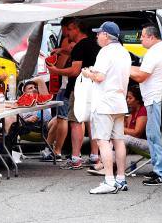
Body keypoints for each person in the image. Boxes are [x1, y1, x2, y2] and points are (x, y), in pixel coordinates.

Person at [82, 21, 132, 194]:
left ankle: (109, 181)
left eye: (98, 33)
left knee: (103, 142)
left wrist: (87, 73)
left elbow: (100, 77)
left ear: (106, 35)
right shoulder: (124, 53)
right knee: (119, 141)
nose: (96, 36)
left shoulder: (105, 52)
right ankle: (121, 179)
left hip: (104, 103)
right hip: (119, 101)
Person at [49, 19, 100, 170]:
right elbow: (81, 54)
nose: (67, 34)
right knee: (92, 121)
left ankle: (76, 158)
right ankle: (94, 155)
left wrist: (56, 71)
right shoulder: (94, 43)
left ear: (75, 28)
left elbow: (75, 70)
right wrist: (62, 51)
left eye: (68, 30)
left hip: (79, 88)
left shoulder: (79, 46)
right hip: (95, 86)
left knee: (76, 121)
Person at [129, 25, 162, 186]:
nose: (140, 39)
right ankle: (158, 169)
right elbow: (142, 70)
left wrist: (123, 68)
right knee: (153, 135)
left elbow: (141, 76)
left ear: (151, 37)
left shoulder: (155, 52)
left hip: (155, 98)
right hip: (155, 98)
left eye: (143, 36)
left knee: (156, 136)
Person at [41, 31, 75, 161]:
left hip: (66, 87)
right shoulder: (84, 45)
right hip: (77, 89)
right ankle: (49, 148)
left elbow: (60, 66)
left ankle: (57, 151)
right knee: (65, 119)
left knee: (62, 118)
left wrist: (58, 55)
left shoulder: (70, 43)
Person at [4, 80, 52, 150]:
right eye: (30, 88)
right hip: (24, 128)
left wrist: (38, 115)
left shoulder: (42, 102)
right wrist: (27, 120)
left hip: (41, 128)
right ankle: (8, 149)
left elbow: (48, 116)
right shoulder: (21, 103)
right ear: (24, 92)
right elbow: (18, 118)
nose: (34, 89)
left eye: (35, 87)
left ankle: (8, 147)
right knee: (9, 118)